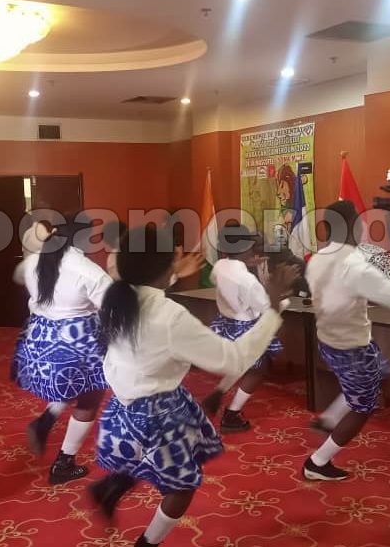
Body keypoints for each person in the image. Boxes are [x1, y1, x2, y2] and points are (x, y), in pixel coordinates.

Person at [89, 225, 295, 547]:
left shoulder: (115, 297)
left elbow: (148, 293)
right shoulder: (170, 316)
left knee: (147, 455)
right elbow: (233, 359)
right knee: (182, 486)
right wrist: (271, 309)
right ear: (169, 262)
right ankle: (147, 543)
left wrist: (173, 275)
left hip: (124, 405)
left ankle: (110, 487)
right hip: (159, 411)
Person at [303, 200, 390, 481]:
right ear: (355, 226)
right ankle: (317, 462)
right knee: (363, 407)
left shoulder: (317, 258)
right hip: (351, 347)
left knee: (385, 374)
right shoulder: (354, 265)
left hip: (330, 340)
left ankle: (329, 418)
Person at [11, 217, 113, 484]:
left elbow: (24, 283)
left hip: (41, 339)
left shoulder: (34, 261)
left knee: (72, 383)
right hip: (77, 341)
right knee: (90, 396)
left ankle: (45, 421)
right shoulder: (89, 271)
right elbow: (112, 311)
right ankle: (64, 463)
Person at [200, 226, 288, 432]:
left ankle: (219, 392)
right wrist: (284, 301)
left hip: (227, 323)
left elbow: (226, 276)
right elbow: (267, 307)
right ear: (246, 247)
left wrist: (247, 265)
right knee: (258, 370)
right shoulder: (247, 280)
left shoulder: (220, 266)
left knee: (242, 365)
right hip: (247, 326)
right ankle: (231, 415)